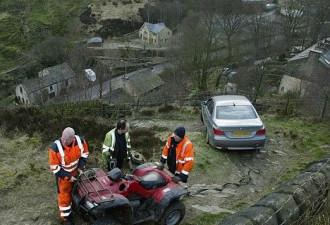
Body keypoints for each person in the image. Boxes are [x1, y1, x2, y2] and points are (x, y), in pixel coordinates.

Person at [49, 127, 89, 225]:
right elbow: (54, 167)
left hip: (76, 172)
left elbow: (85, 153)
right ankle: (66, 218)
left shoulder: (80, 141)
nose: (65, 141)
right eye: (63, 138)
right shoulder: (55, 148)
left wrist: (80, 166)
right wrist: (68, 176)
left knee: (79, 191)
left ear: (73, 139)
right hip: (63, 177)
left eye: (67, 140)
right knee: (65, 197)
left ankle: (77, 207)